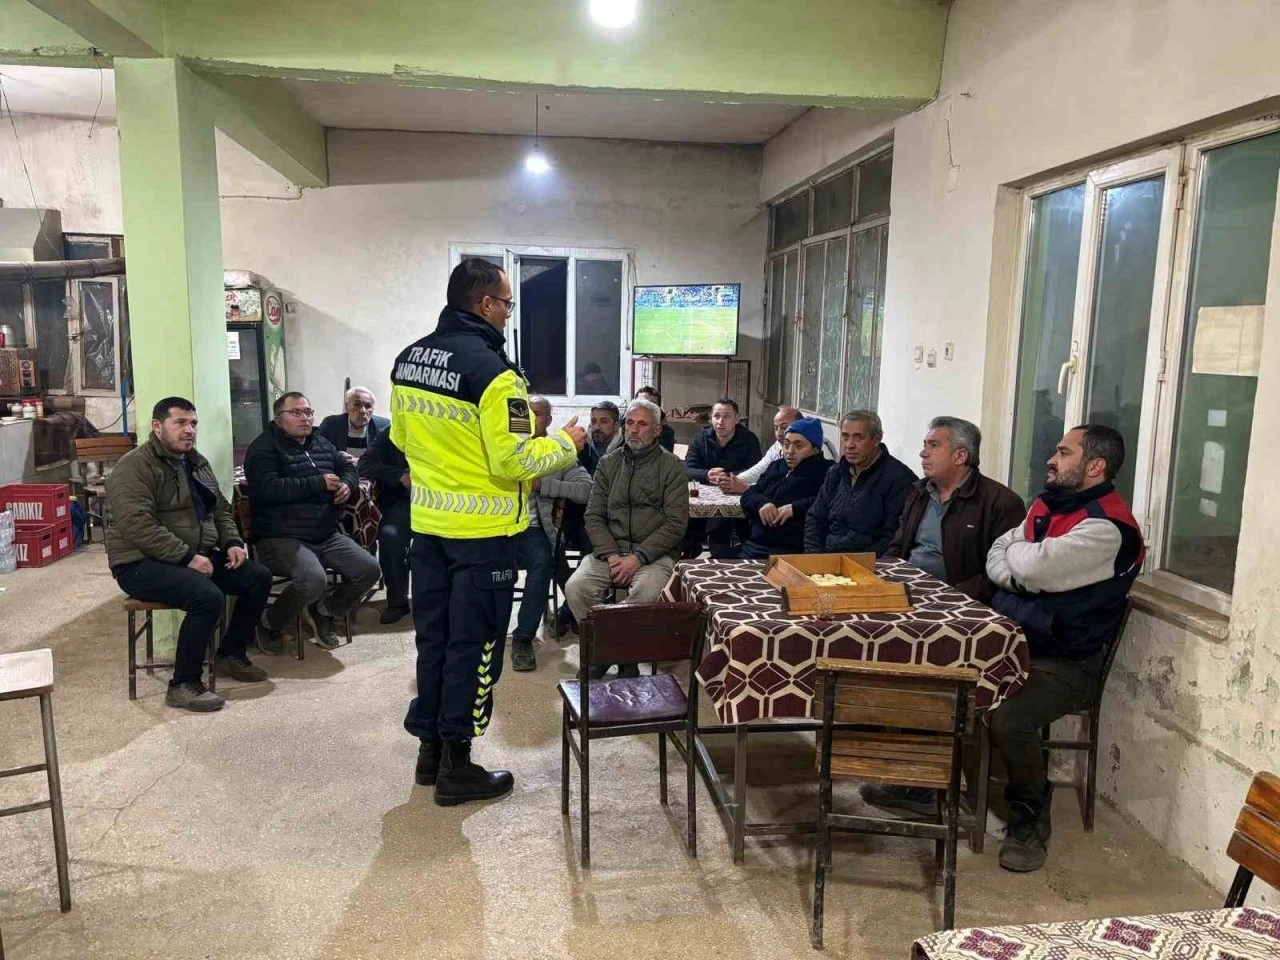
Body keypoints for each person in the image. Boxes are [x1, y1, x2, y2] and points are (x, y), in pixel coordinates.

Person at [392, 258, 585, 807]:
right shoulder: (499, 376)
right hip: (483, 537)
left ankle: (429, 754)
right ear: (484, 304)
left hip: (429, 530)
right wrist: (567, 443)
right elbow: (516, 460)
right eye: (506, 303)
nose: (508, 313)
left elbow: (403, 440)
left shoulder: (409, 360)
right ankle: (458, 767)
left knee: (433, 642)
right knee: (474, 649)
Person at [985, 425, 1144, 873]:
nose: (1051, 460)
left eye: (1063, 452)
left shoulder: (1108, 528)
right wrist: (1023, 576)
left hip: (1069, 662)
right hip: (1017, 643)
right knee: (949, 680)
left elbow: (1037, 567)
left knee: (1009, 717)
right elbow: (998, 553)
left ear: (1095, 466)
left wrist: (1023, 573)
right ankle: (927, 787)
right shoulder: (1048, 504)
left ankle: (1029, 817)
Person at [106, 397, 272, 712]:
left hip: (194, 554)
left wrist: (232, 542)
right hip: (138, 562)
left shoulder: (196, 462)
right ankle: (183, 684)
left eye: (193, 423)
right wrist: (187, 558)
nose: (189, 430)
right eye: (180, 423)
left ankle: (230, 653)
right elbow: (137, 524)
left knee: (257, 577)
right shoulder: (134, 467)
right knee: (207, 597)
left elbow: (220, 510)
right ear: (157, 426)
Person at [244, 391, 382, 651]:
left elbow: (348, 467)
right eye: (296, 413)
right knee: (313, 579)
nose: (304, 418)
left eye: (308, 412)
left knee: (370, 569)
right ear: (278, 419)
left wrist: (347, 485)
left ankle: (324, 610)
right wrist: (317, 483)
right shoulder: (263, 448)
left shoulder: (319, 442)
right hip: (280, 536)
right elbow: (266, 489)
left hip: (325, 534)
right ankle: (269, 621)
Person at [564, 398, 689, 675]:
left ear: (657, 430)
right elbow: (593, 516)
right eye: (629, 423)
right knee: (576, 587)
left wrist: (638, 557)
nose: (633, 429)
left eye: (642, 424)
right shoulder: (609, 463)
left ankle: (609, 653)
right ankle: (617, 655)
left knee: (646, 594)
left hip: (653, 555)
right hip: (610, 551)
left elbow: (675, 524)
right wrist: (611, 555)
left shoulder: (672, 467)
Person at [885, 417, 1027, 601]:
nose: (923, 453)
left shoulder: (1002, 502)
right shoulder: (919, 492)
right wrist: (882, 578)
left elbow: (1003, 570)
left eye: (934, 445)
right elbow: (898, 546)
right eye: (925, 445)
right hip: (905, 590)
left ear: (960, 456)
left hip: (956, 600)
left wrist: (953, 596)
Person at [509, 396, 593, 672]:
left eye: (537, 413)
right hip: (499, 526)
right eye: (525, 413)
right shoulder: (505, 447)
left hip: (533, 529)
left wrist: (542, 485)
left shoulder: (558, 451)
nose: (530, 419)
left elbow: (586, 489)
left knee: (542, 562)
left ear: (548, 418)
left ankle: (523, 637)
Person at [803, 410, 915, 556]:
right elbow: (815, 518)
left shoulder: (899, 478)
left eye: (859, 438)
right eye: (845, 436)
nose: (849, 445)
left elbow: (892, 537)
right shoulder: (836, 472)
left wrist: (856, 563)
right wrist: (813, 555)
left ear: (877, 439)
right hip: (826, 558)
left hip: (867, 562)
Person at [733, 417, 829, 558]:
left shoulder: (827, 472)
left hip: (792, 552)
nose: (790, 451)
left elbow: (829, 502)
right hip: (755, 547)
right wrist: (762, 503)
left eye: (799, 446)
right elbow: (750, 493)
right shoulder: (776, 466)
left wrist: (796, 508)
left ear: (815, 449)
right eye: (786, 444)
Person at [684, 397, 761, 556]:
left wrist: (728, 477)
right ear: (710, 418)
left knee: (722, 530)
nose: (720, 421)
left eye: (726, 416)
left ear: (737, 419)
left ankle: (721, 554)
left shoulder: (749, 439)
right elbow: (687, 469)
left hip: (735, 495)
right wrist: (706, 475)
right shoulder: (700, 438)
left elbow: (755, 471)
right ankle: (689, 552)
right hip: (702, 496)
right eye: (716, 416)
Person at [358, 429, 412, 624]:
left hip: (441, 502)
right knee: (390, 538)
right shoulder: (390, 434)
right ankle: (398, 602)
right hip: (401, 501)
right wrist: (400, 475)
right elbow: (364, 464)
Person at [318, 386, 389, 465]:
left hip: (369, 471)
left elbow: (387, 459)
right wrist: (338, 457)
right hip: (340, 469)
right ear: (347, 407)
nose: (363, 411)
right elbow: (318, 452)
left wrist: (360, 462)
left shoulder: (383, 427)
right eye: (357, 405)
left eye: (368, 406)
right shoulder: (331, 424)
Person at [579, 400, 622, 475]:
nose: (597, 427)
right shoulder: (582, 447)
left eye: (604, 422)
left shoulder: (626, 451)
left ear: (616, 426)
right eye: (594, 421)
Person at [635, 386, 676, 452]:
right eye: (640, 404)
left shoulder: (667, 432)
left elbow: (663, 455)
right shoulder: (623, 427)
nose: (644, 409)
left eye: (650, 406)